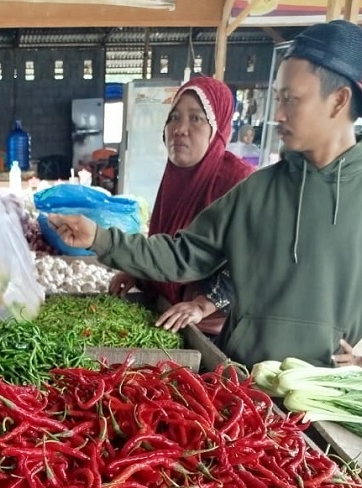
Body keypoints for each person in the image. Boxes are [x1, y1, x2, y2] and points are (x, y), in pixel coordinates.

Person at [48, 20, 362, 373]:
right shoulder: (258, 190)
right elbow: (182, 255)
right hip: (239, 379)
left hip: (320, 389)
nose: (278, 113)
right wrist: (98, 238)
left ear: (338, 101)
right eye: (278, 98)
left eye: (291, 100)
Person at [109, 77, 254, 337]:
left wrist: (203, 304)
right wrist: (140, 271)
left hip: (216, 332)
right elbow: (172, 247)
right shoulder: (175, 177)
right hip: (171, 316)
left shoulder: (238, 181)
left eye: (196, 119)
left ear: (218, 128)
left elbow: (253, 259)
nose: (179, 129)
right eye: (174, 117)